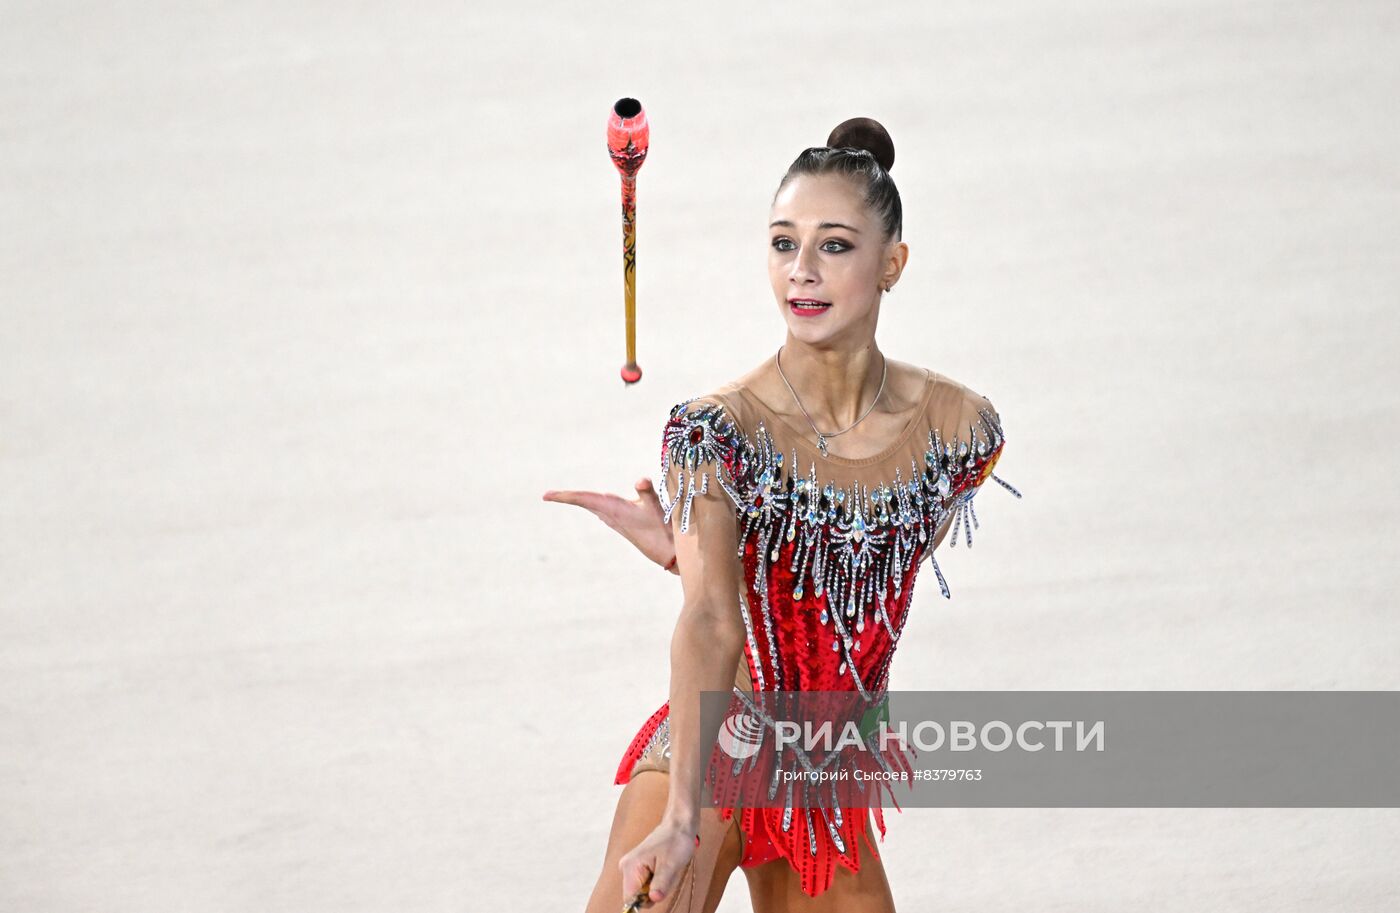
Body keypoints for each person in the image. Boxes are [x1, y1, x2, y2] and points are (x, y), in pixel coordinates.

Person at [544, 117, 1019, 912]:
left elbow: (868, 576)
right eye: (781, 243)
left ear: (892, 262)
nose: (802, 271)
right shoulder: (715, 430)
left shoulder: (961, 429)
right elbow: (711, 625)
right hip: (718, 748)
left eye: (834, 245)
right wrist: (683, 818)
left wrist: (692, 553)